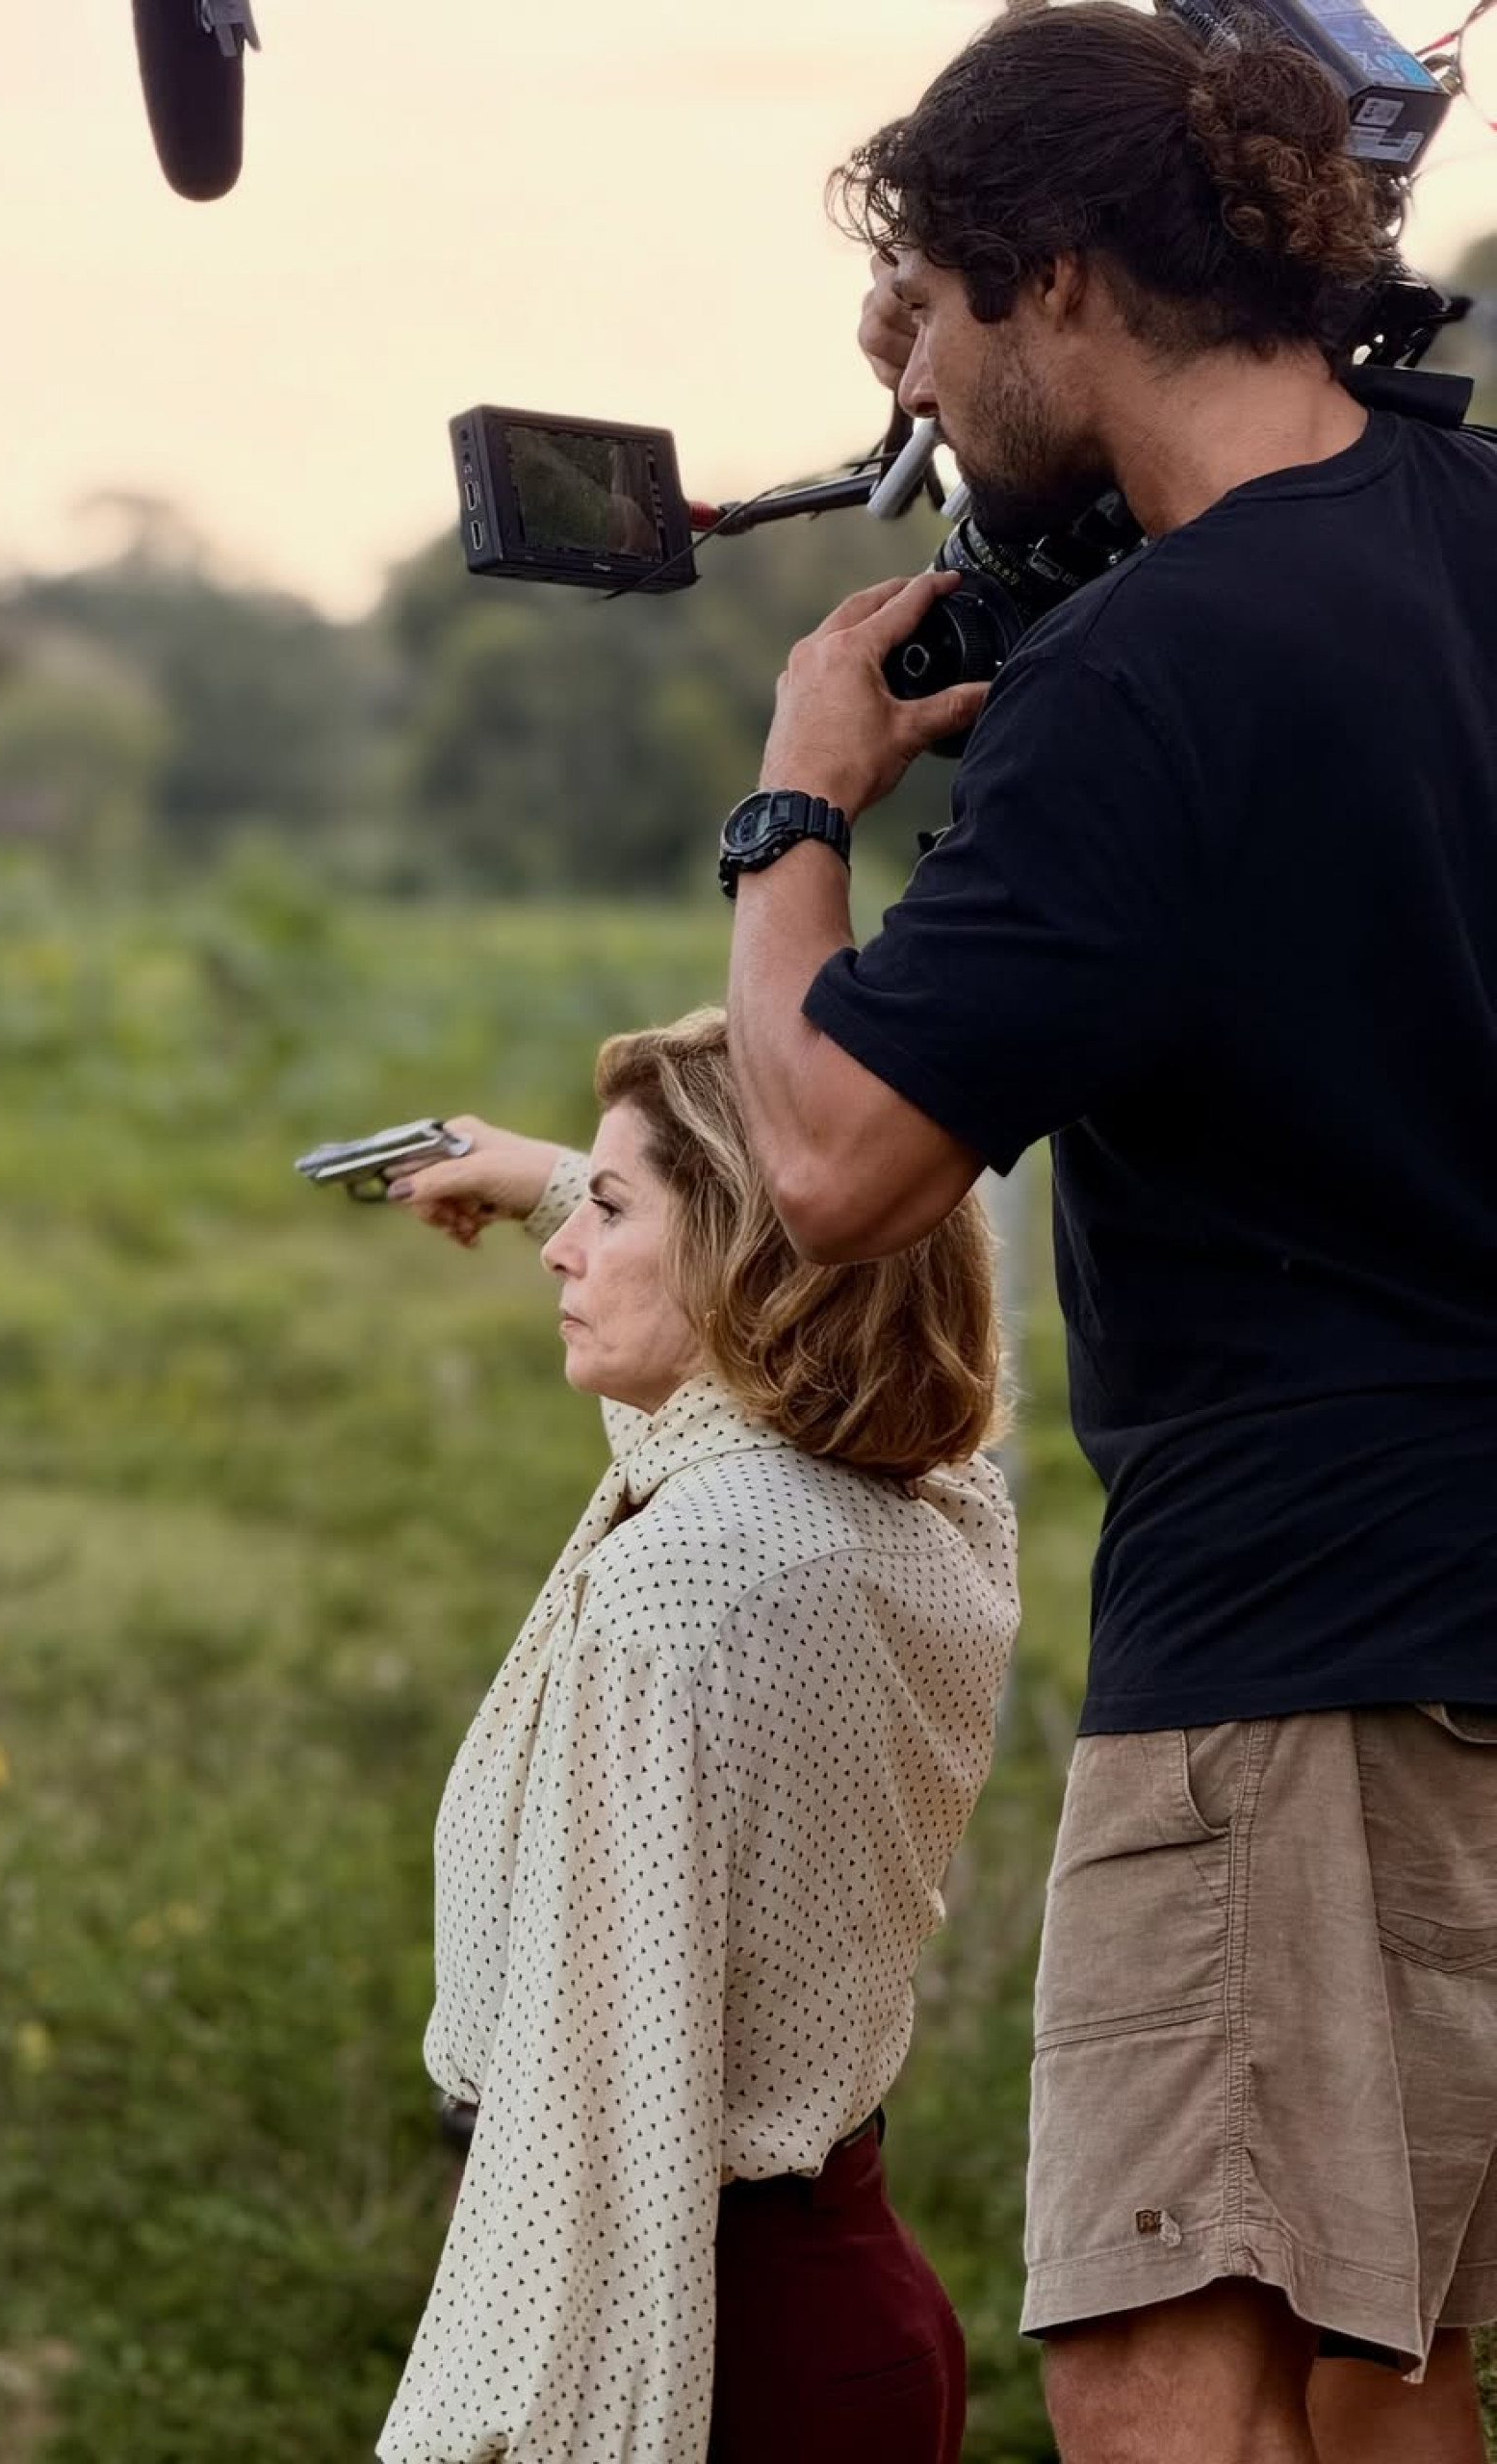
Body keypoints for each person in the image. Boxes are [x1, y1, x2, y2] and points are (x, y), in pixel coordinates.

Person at [715, 8, 1497, 2463]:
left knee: (1169, 2361)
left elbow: (837, 1160)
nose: (914, 382)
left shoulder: (1145, 686)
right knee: (1383, 2367)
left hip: (1296, 1631)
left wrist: (794, 809)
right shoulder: (1453, 535)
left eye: (935, 315)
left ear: (1059, 274)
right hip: (1467, 1603)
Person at [375, 1009, 1019, 2463]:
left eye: (609, 1212)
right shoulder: (923, 1507)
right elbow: (735, 1382)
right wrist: (552, 1173)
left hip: (699, 2338)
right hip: (847, 2307)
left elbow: (615, 2106)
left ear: (744, 1250)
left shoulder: (686, 1581)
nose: (562, 1250)